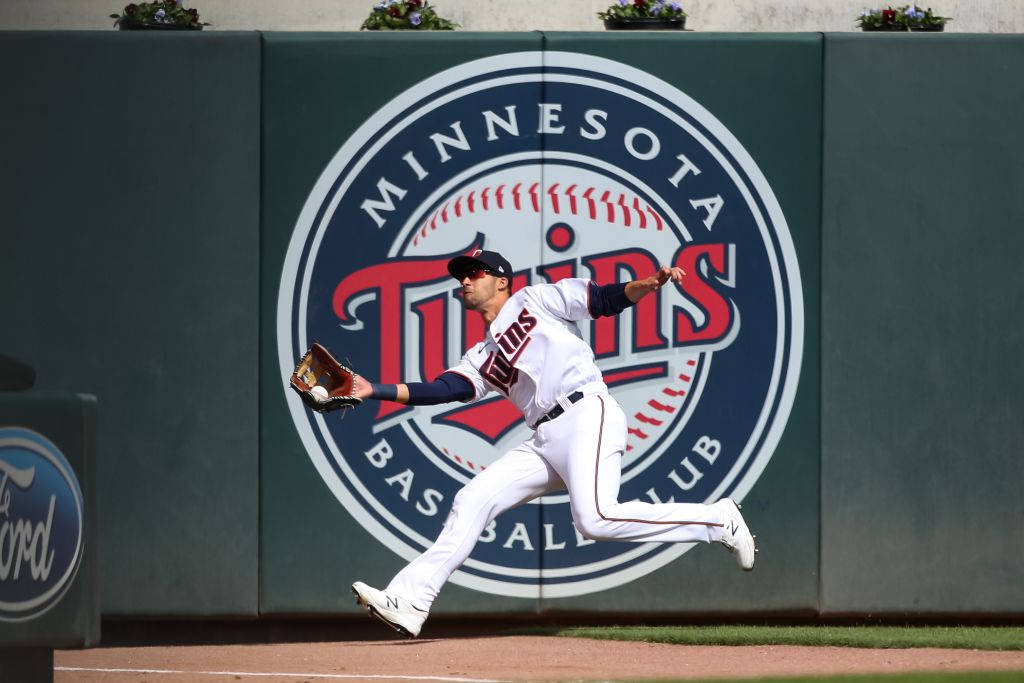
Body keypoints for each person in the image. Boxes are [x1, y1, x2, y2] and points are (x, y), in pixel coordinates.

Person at [349, 249, 756, 638]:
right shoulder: (482, 354)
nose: (465, 282)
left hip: (585, 412)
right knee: (472, 500)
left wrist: (647, 284)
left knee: (595, 519)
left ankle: (718, 520)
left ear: (502, 281)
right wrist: (373, 390)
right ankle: (410, 599)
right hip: (544, 438)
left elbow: (601, 299)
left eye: (474, 274)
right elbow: (445, 389)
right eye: (461, 277)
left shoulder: (536, 299)